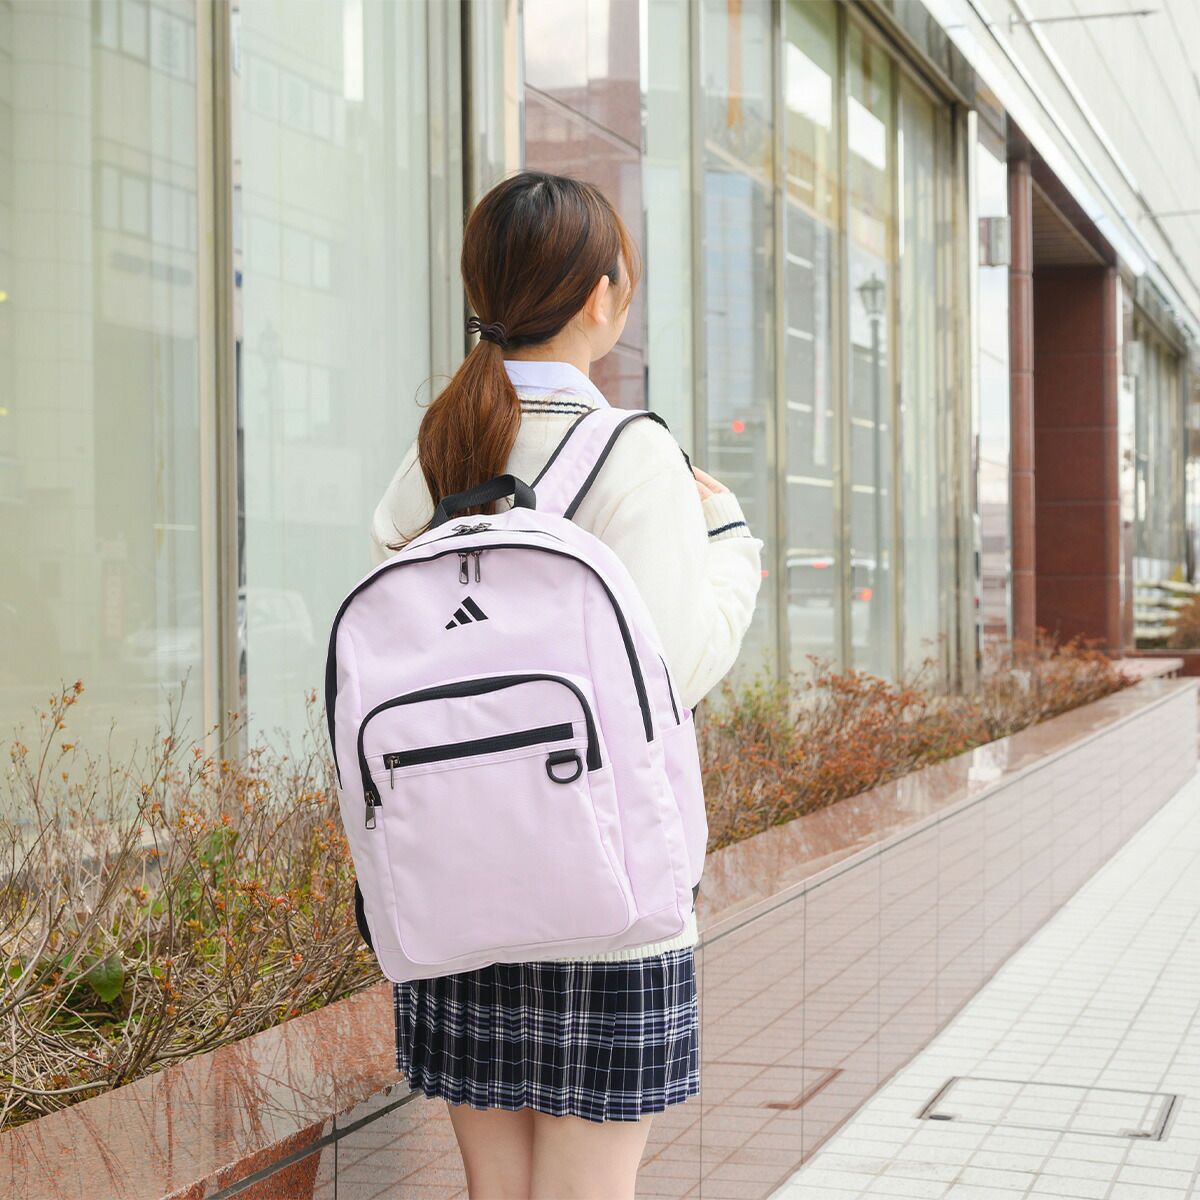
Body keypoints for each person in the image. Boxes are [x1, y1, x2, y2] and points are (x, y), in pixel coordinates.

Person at [369, 171, 762, 1200]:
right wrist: (731, 543)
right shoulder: (633, 455)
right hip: (604, 893)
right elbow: (674, 669)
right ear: (600, 296)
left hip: (454, 889)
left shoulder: (432, 455)